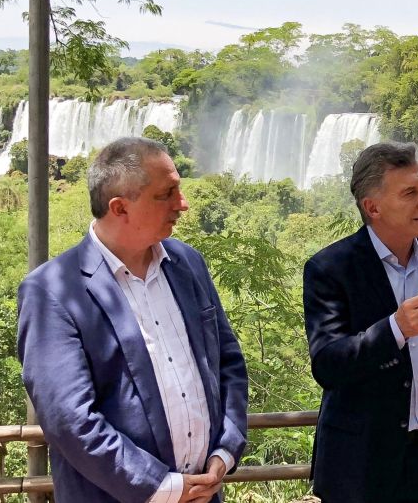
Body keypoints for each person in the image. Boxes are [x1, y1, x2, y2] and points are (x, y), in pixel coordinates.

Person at [17, 137, 248, 503]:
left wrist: (226, 449)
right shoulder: (52, 291)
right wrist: (161, 487)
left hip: (205, 494)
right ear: (120, 207)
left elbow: (229, 363)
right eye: (166, 194)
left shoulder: (188, 264)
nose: (182, 204)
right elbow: (70, 421)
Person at [303, 142, 418, 503]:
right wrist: (395, 329)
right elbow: (328, 364)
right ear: (373, 207)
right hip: (361, 462)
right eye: (410, 193)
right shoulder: (331, 268)